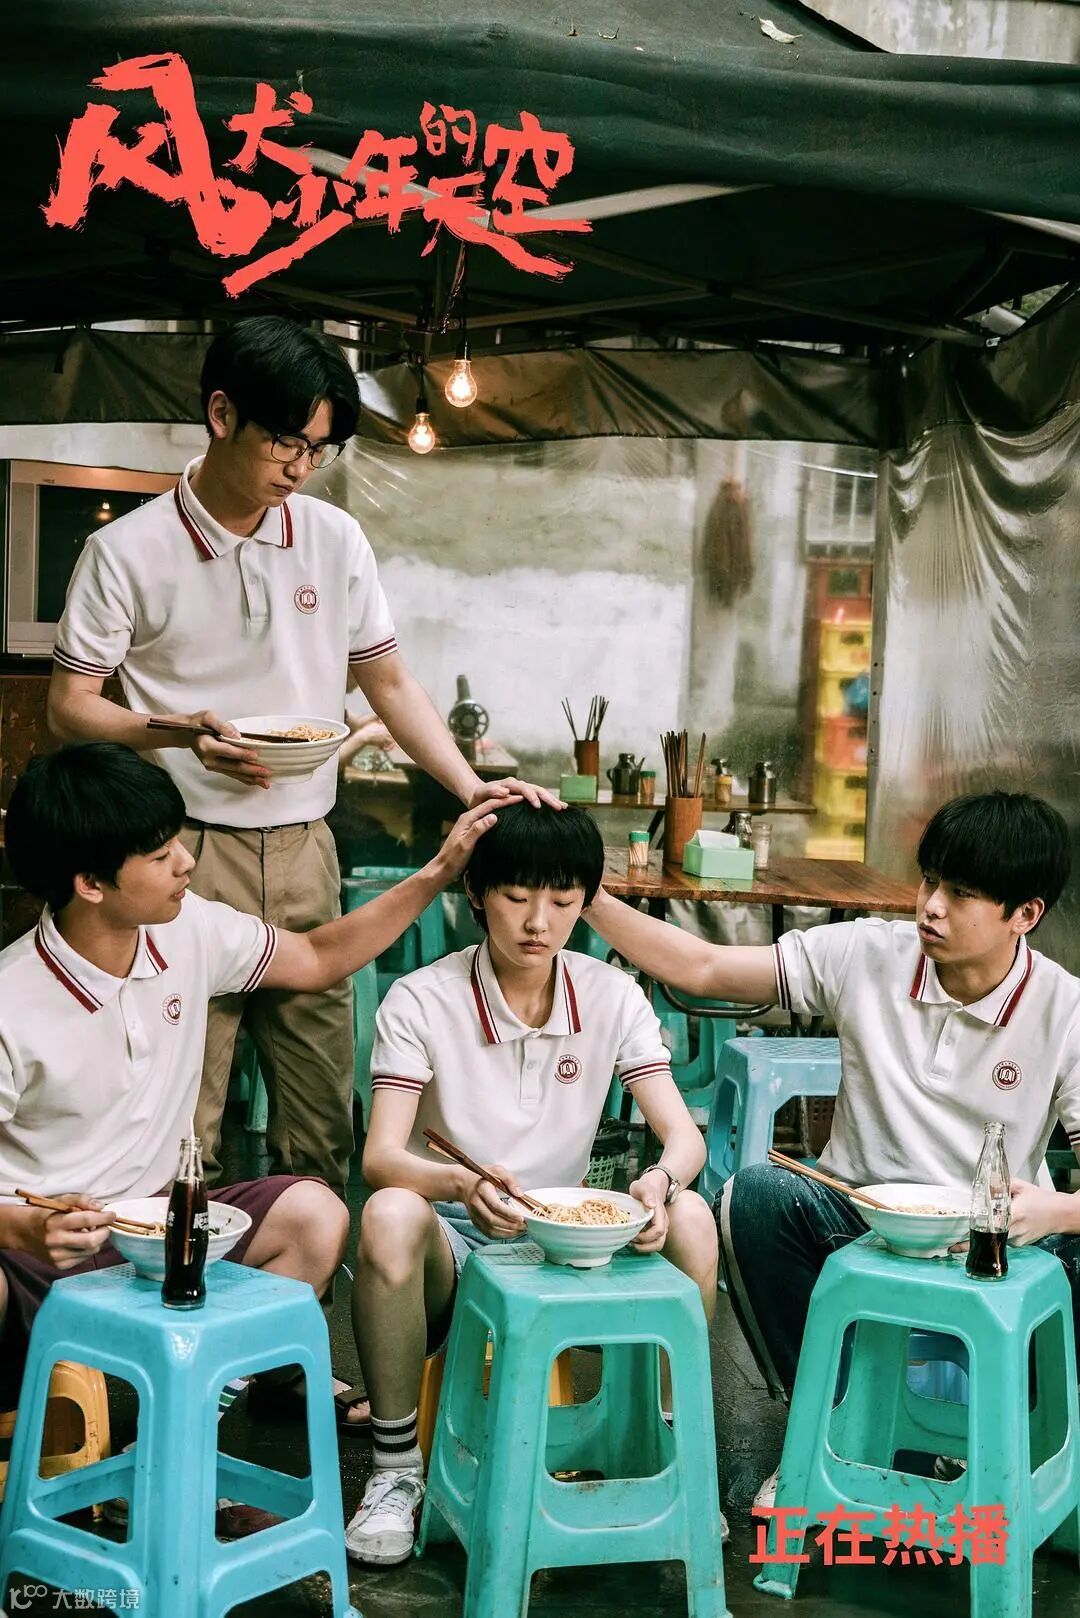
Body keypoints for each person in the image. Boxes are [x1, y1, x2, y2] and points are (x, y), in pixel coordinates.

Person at [47, 315, 558, 1200]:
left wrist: (470, 785)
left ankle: (304, 1278)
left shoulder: (333, 538)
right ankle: (186, 1279)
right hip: (182, 853)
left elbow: (388, 682)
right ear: (221, 415)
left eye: (320, 449)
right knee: (185, 1117)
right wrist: (177, 732)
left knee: (321, 1116)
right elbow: (70, 707)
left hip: (306, 845)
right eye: (286, 441)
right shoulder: (125, 550)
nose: (300, 466)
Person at [0, 743, 508, 1450]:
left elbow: (319, 957)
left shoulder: (190, 929)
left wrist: (440, 871)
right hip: (37, 1256)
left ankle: (181, 1420)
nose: (186, 862)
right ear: (90, 883)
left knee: (315, 1215)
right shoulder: (11, 999)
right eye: (160, 854)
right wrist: (23, 1228)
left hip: (160, 1237)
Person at [585, 790, 1080, 1507]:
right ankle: (828, 1430)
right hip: (858, 1221)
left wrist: (1054, 1212)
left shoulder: (1065, 1010)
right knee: (754, 1197)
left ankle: (1018, 1449)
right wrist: (585, 895)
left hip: (991, 1243)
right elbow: (704, 969)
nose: (931, 907)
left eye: (962, 894)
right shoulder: (869, 953)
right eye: (930, 881)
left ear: (1024, 914)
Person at [344, 802, 718, 1566]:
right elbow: (381, 1157)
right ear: (477, 894)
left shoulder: (610, 994)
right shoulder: (422, 998)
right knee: (387, 1215)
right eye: (516, 897)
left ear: (586, 902)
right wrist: (456, 1184)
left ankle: (669, 1452)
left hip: (570, 1241)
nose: (539, 922)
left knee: (694, 1220)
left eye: (562, 900)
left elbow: (684, 1138)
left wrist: (657, 1182)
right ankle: (395, 1469)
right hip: (457, 1241)